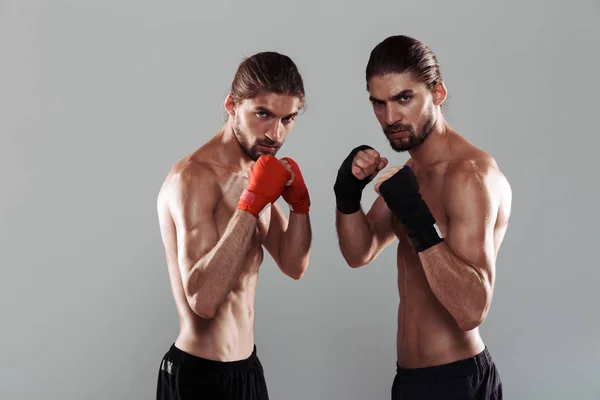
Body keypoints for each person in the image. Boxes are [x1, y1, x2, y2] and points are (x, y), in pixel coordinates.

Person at [333, 35, 511, 399]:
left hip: (456, 381)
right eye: (378, 104)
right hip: (411, 381)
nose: (391, 117)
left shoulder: (468, 175)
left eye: (404, 98)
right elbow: (359, 252)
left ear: (438, 93)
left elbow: (471, 309)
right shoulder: (413, 171)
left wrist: (416, 215)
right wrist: (347, 196)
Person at [155, 51, 312, 400]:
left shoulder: (254, 173)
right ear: (231, 104)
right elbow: (204, 299)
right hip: (199, 377)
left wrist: (300, 206)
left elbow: (293, 264)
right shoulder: (193, 177)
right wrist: (252, 205)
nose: (275, 132)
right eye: (263, 114)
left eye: (288, 119)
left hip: (247, 370)